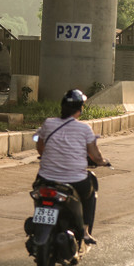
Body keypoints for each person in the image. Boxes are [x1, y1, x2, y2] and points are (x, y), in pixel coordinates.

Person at [34, 89, 109, 244]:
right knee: (90, 192)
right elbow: (95, 156)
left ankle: (39, 222)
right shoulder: (84, 128)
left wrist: (46, 155)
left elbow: (40, 146)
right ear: (80, 109)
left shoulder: (48, 123)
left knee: (39, 193)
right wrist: (103, 162)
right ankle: (85, 231)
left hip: (45, 178)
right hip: (75, 180)